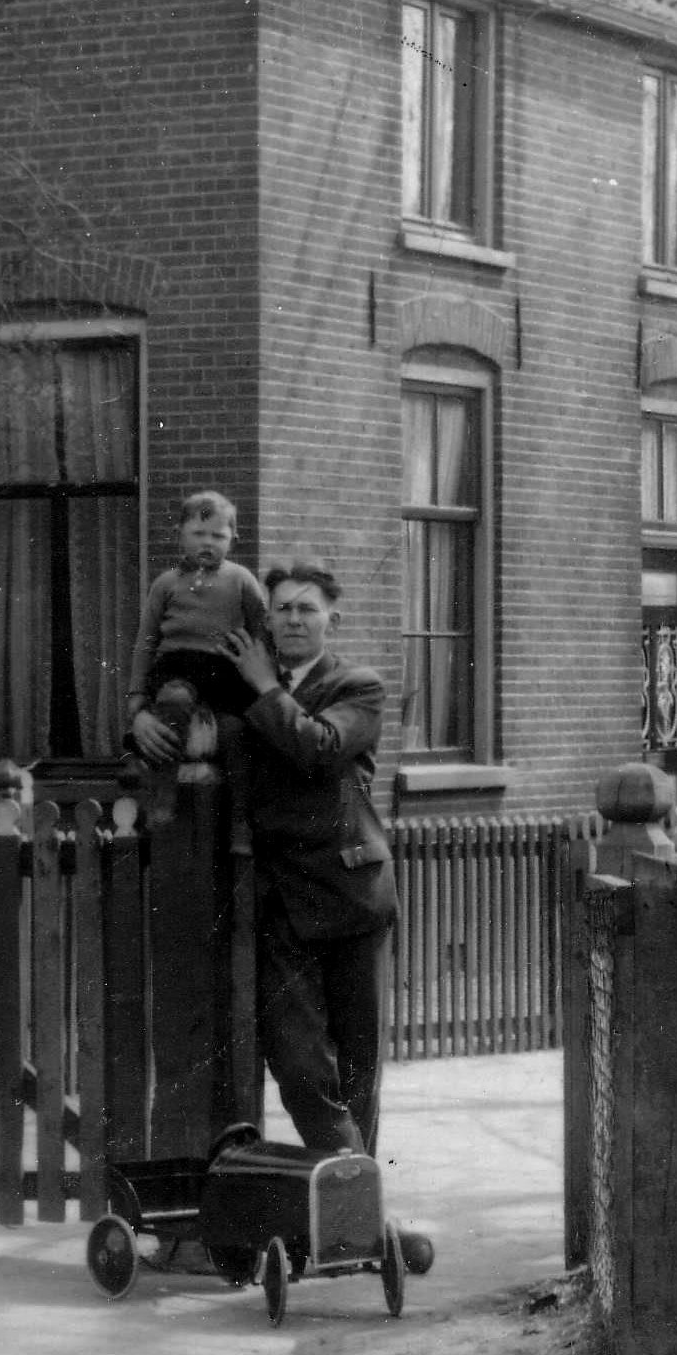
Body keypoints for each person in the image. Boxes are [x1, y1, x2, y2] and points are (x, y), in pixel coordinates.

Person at [217, 563, 396, 1158]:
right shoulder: (244, 686)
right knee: (295, 1060)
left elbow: (318, 748)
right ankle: (353, 1194)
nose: (294, 618)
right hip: (280, 901)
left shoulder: (359, 687)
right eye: (283, 608)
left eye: (307, 609)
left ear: (331, 621)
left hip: (350, 894)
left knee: (357, 1064)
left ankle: (349, 1209)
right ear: (267, 616)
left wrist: (266, 688)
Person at [129, 490, 278, 775]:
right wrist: (136, 691)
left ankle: (240, 817)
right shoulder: (166, 584)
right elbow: (146, 641)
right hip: (176, 668)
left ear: (233, 540)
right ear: (180, 535)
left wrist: (266, 680)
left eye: (218, 536)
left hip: (224, 670)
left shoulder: (241, 580)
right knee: (173, 703)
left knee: (236, 733)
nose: (207, 543)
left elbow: (262, 632)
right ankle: (164, 788)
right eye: (198, 534)